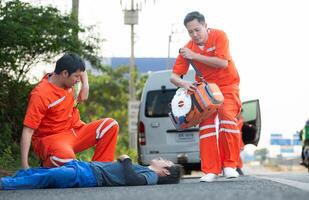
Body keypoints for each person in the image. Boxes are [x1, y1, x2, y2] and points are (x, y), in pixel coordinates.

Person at [170, 11, 241, 182]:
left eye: (197, 30)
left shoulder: (219, 36)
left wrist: (194, 56)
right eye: (190, 32)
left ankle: (230, 166)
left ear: (205, 25)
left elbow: (222, 63)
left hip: (227, 86)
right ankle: (210, 170)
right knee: (207, 127)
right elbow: (174, 77)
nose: (194, 35)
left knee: (227, 120)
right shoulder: (187, 49)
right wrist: (184, 84)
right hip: (205, 91)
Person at [20, 53, 119, 169]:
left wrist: (85, 86)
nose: (78, 79)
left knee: (111, 125)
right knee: (65, 159)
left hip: (75, 131)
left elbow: (82, 71)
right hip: (52, 140)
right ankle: (49, 163)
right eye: (76, 77)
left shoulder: (66, 78)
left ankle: (101, 170)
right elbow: (27, 131)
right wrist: (24, 165)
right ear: (65, 73)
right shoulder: (40, 95)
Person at [0, 155, 182, 190]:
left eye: (166, 162)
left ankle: (4, 184)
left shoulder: (150, 176)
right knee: (41, 172)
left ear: (165, 172)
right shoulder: (147, 169)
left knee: (46, 177)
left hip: (90, 176)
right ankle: (9, 179)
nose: (162, 158)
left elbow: (134, 180)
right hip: (86, 168)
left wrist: (126, 160)